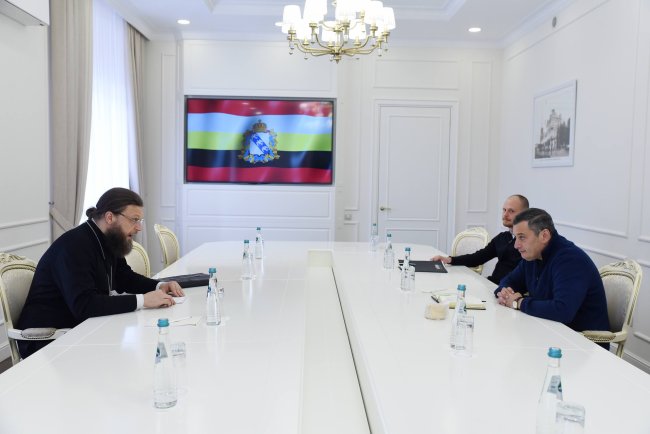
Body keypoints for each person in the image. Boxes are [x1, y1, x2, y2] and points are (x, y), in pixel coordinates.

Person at [17, 187, 185, 358]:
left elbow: (125, 277)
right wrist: (144, 300)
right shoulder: (74, 246)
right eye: (134, 220)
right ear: (110, 217)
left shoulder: (108, 238)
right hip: (48, 340)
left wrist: (159, 286)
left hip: (82, 328)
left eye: (139, 221)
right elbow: (85, 305)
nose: (139, 228)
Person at [495, 208, 610, 335]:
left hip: (581, 341)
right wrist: (505, 293)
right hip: (547, 330)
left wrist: (519, 302)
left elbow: (563, 311)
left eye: (522, 237)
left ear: (544, 236)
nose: (516, 245)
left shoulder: (570, 260)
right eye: (515, 237)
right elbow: (508, 281)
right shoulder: (533, 255)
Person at [432, 194, 529, 284]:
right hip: (493, 285)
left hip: (509, 291)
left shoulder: (529, 242)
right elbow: (478, 257)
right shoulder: (502, 237)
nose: (505, 215)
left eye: (511, 211)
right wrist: (449, 259)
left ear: (525, 214)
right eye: (504, 210)